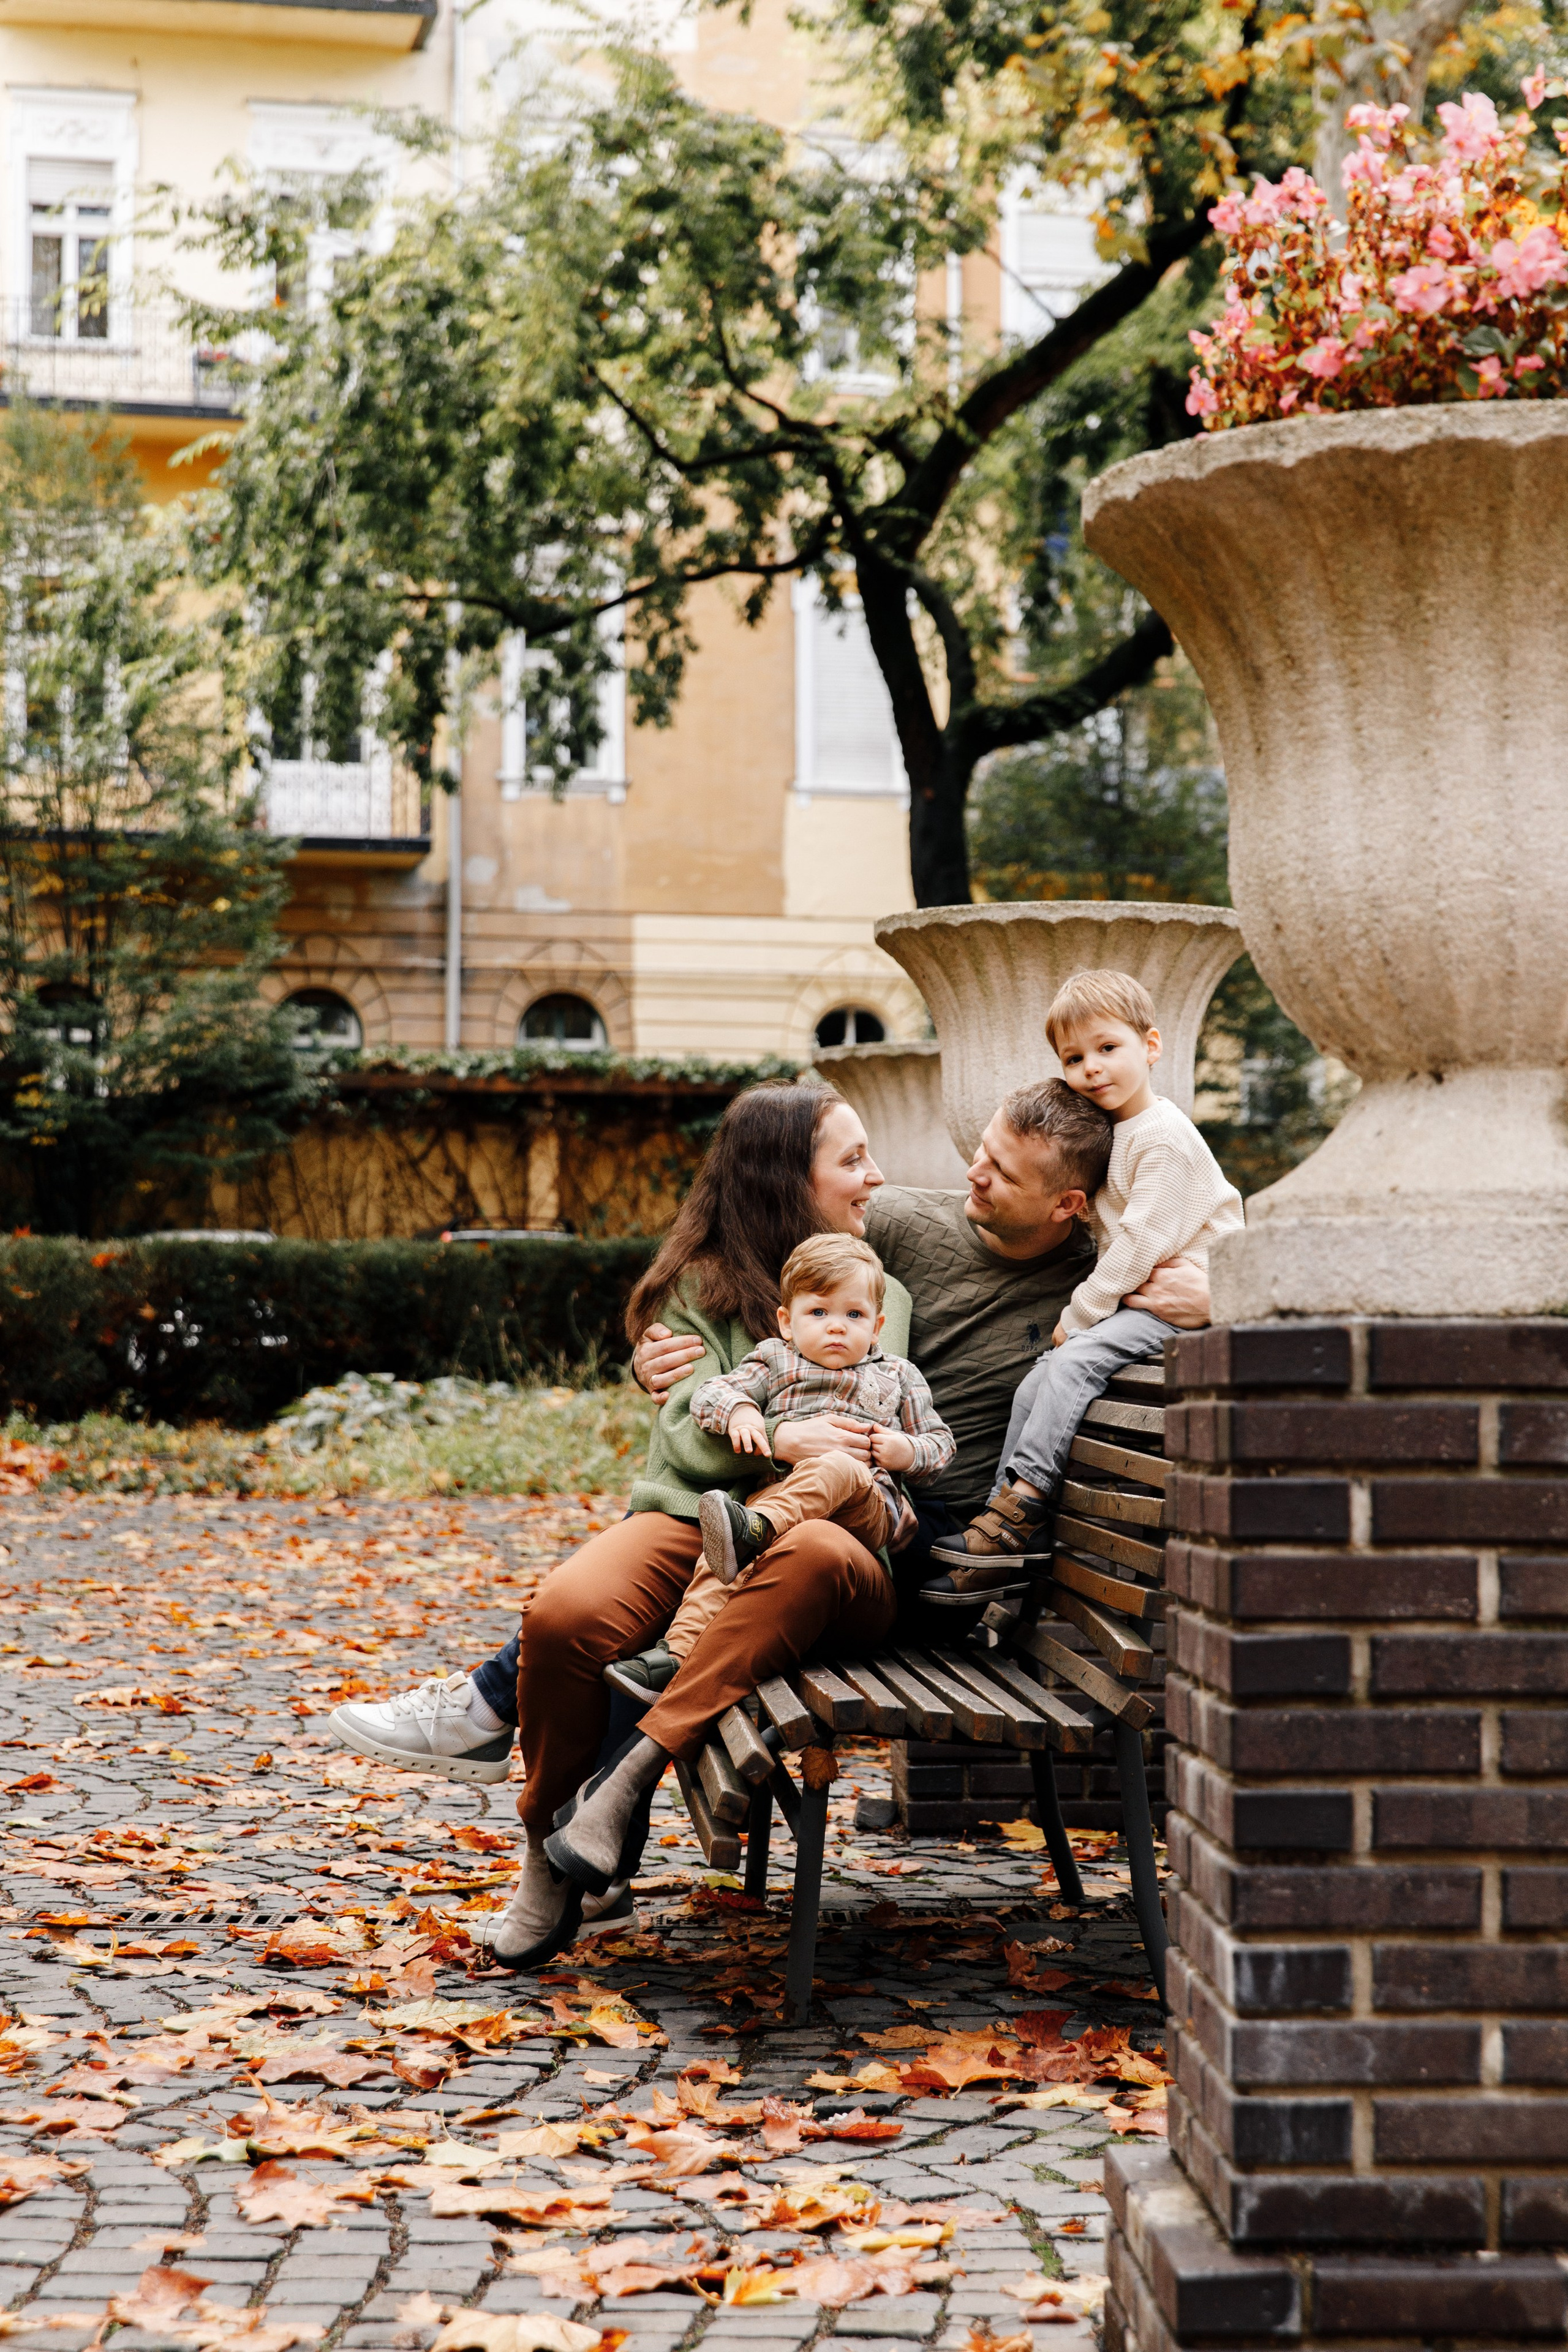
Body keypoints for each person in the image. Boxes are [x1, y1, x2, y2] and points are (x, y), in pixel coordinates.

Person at [328, 1073, 1214, 1929]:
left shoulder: (1103, 1272)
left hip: (891, 1541)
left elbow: (1218, 1241)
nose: (964, 1175)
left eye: (1000, 1171)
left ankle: (590, 1768)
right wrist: (669, 1363)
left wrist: (1208, 1289)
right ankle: (549, 1832)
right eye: (978, 1153)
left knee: (802, 1546)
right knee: (571, 1614)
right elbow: (758, 1272)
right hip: (750, 1503)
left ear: (1066, 1205)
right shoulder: (898, 1227)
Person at [925, 970, 1243, 1599]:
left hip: (1175, 1299)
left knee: (1070, 1364)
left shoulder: (1163, 1139)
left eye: (1107, 1048)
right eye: (1073, 1058)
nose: (1091, 1069)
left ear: (1150, 1047)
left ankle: (1022, 1513)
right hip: (1146, 1297)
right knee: (1038, 1381)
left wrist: (1080, 1314)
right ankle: (999, 1531)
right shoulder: (1118, 1135)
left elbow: (1139, 1245)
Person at [605, 1232, 954, 1703]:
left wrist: (904, 1451)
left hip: (865, 1505)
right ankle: (675, 1655)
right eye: (819, 1313)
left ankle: (755, 1530)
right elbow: (711, 1395)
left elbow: (941, 1445)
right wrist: (744, 1412)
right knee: (719, 1560)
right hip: (783, 1501)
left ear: (877, 1326)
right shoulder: (774, 1359)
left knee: (836, 1466)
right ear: (787, 1323)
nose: (836, 1327)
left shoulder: (897, 1375)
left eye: (854, 1315)